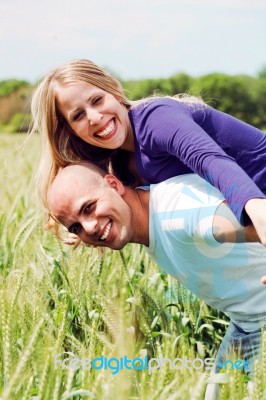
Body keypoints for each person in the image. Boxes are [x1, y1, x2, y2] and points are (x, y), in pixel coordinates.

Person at [47, 162, 266, 382]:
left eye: (88, 208)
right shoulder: (146, 215)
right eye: (76, 227)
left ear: (113, 185)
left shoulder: (179, 213)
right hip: (245, 322)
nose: (89, 228)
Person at [30, 59, 266, 246]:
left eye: (97, 100)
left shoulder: (156, 120)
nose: (94, 117)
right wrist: (82, 225)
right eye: (78, 116)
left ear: (113, 91)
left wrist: (255, 207)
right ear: (71, 130)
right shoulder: (120, 165)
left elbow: (210, 160)